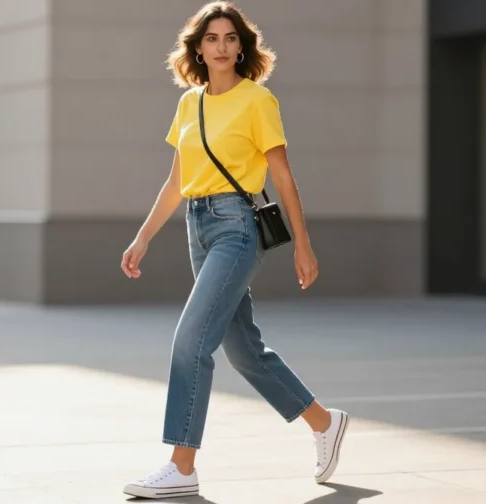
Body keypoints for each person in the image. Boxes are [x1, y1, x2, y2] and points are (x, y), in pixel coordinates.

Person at [120, 1, 349, 499]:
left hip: (237, 228)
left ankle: (182, 466)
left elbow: (284, 178)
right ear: (197, 49)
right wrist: (142, 237)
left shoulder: (257, 101)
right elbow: (177, 182)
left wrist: (302, 245)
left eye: (230, 38)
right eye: (212, 38)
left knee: (191, 341)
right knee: (244, 350)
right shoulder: (189, 105)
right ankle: (324, 422)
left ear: (241, 46)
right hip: (196, 227)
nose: (221, 46)